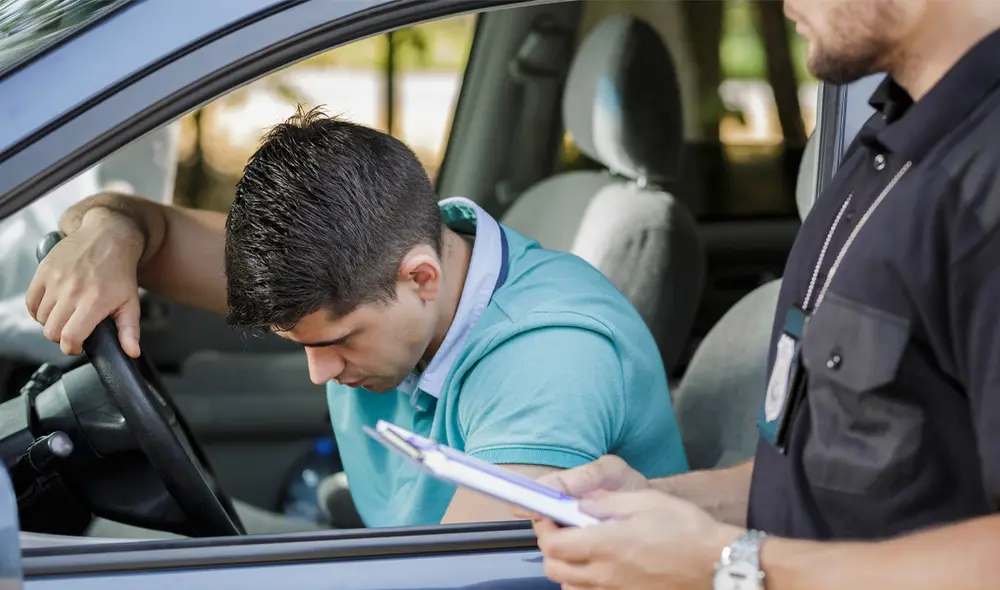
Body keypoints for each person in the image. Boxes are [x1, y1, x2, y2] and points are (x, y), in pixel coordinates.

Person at [25, 108, 689, 530]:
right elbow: (151, 228)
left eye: (338, 342)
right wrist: (110, 231)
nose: (320, 374)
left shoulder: (548, 360)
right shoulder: (357, 260)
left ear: (421, 276)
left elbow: (464, 582)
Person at [523, 1, 1000, 588]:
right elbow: (833, 475)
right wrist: (662, 505)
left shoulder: (984, 181)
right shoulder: (885, 144)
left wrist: (726, 566)